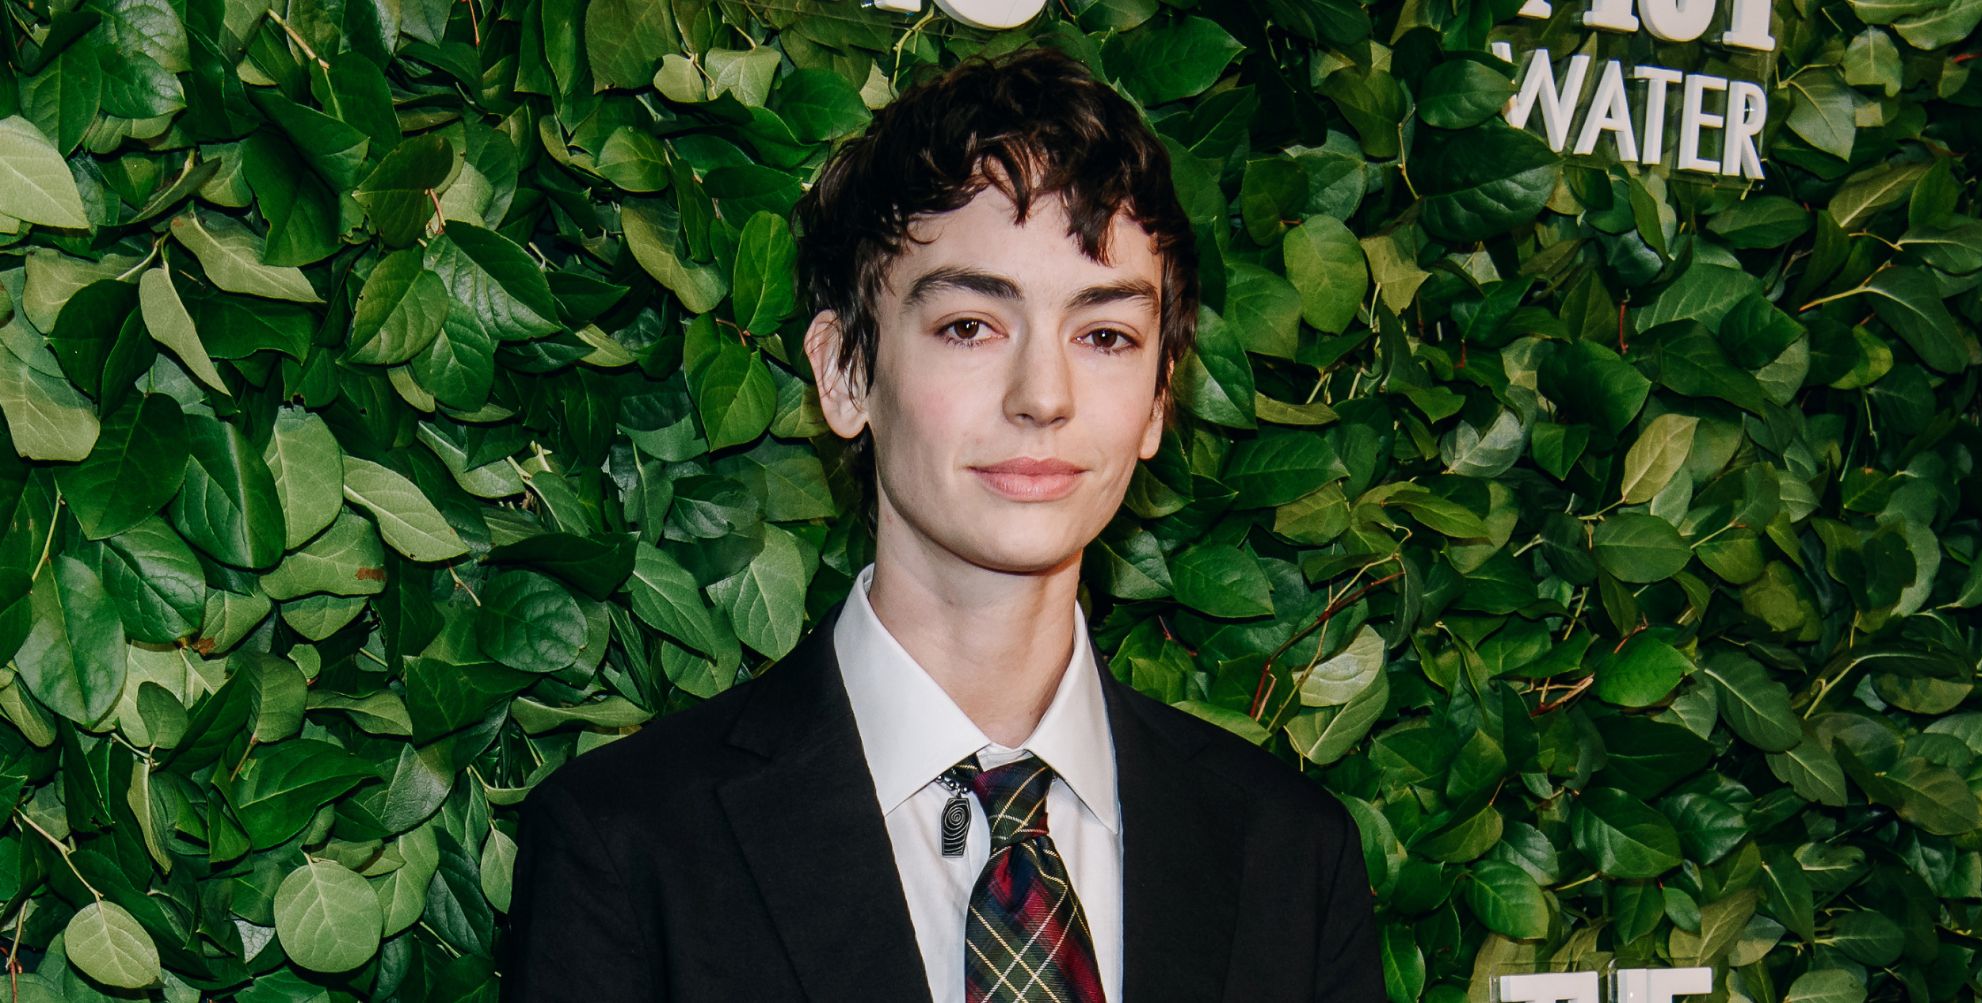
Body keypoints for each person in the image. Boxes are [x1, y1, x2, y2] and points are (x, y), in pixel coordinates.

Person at [501, 47, 1386, 1002]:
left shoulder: (1290, 854)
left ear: (1159, 401)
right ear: (844, 371)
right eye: (970, 325)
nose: (1043, 396)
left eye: (1104, 336)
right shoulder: (626, 849)